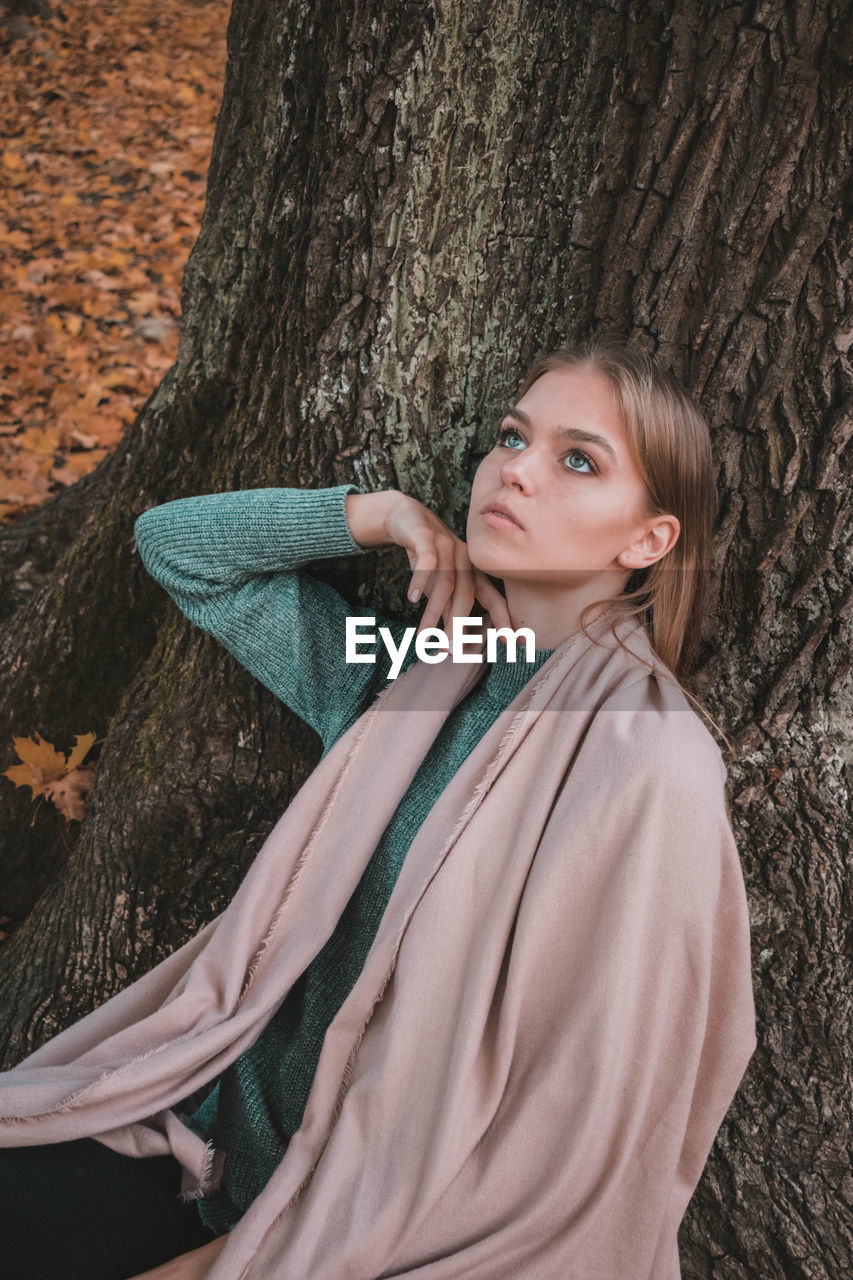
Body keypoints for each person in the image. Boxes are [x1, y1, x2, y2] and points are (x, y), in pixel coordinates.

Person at [0, 338, 755, 1280]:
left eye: (577, 460)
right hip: (182, 1141)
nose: (514, 469)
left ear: (647, 541)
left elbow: (578, 1112)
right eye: (511, 437)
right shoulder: (408, 670)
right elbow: (179, 549)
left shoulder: (650, 763)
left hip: (341, 1227)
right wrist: (383, 517)